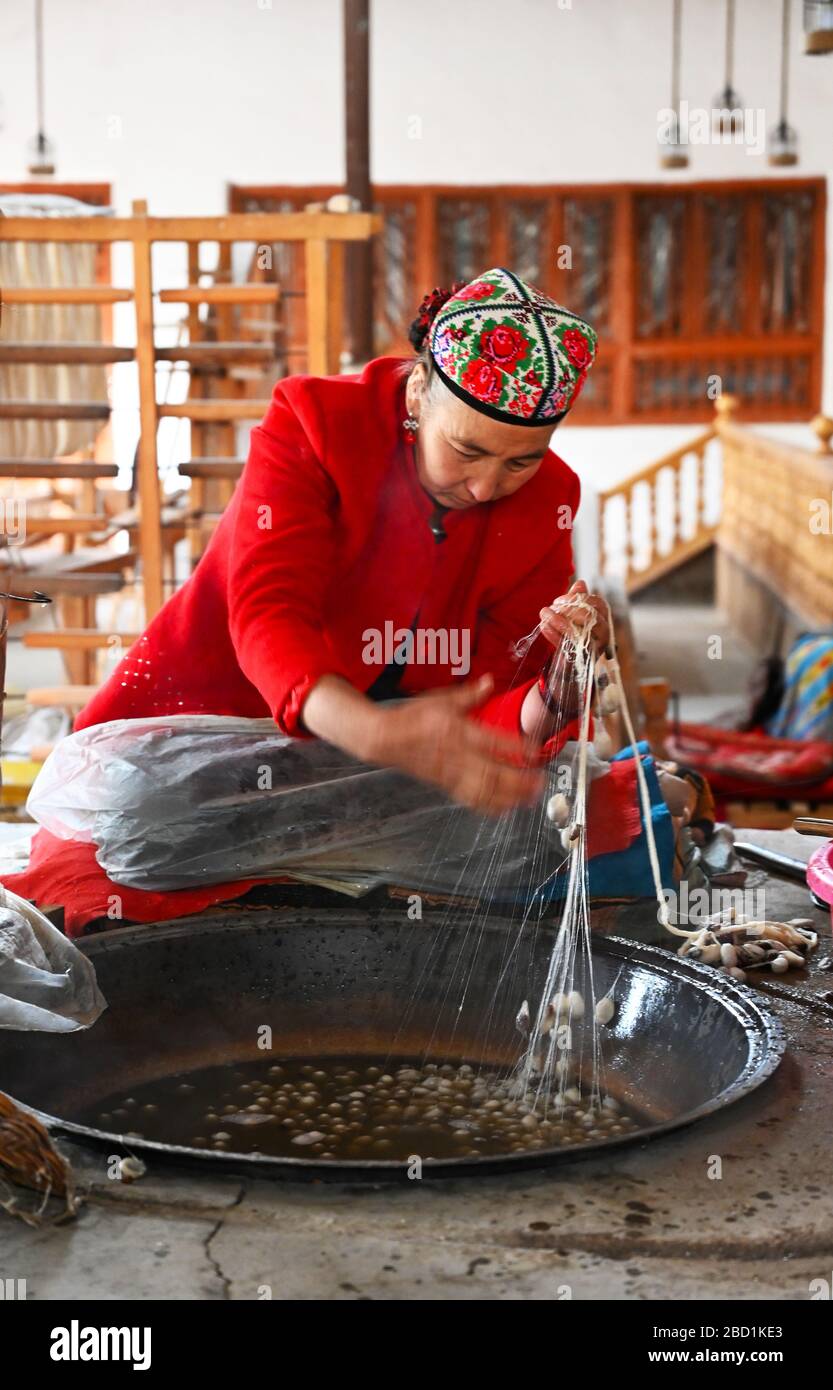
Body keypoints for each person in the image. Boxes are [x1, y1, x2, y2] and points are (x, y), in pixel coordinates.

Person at [7, 267, 629, 931]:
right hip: (228, 739)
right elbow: (268, 613)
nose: (483, 487)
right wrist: (373, 732)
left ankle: (314, 848)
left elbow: (489, 698)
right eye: (466, 450)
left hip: (385, 770)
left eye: (519, 461)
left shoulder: (549, 500)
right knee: (136, 811)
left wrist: (552, 694)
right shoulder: (314, 424)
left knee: (547, 813)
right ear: (419, 389)